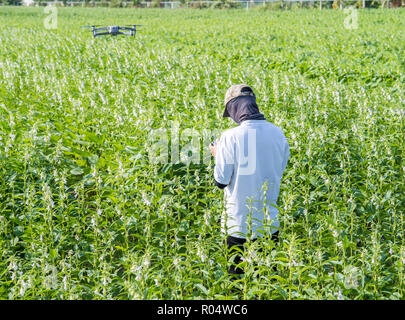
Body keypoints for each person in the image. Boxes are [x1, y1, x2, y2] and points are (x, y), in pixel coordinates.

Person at [209, 84, 289, 275]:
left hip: (238, 225)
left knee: (238, 286)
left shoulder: (230, 137)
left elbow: (221, 181)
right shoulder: (278, 134)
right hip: (269, 225)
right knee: (266, 283)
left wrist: (217, 154)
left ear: (235, 107)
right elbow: (279, 170)